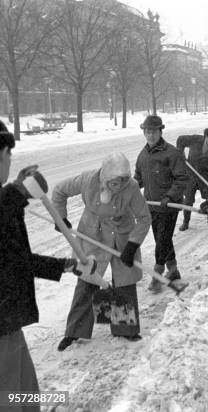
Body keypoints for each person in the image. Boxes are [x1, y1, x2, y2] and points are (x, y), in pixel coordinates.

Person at [1, 127, 98, 403]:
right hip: (1, 325)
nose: (10, 161)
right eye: (8, 153)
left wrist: (68, 265)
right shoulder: (5, 202)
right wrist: (16, 193)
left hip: (9, 323)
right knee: (8, 398)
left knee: (27, 393)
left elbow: (18, 259)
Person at [52, 153, 151, 350]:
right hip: (93, 234)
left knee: (124, 281)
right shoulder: (88, 180)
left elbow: (144, 217)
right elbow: (59, 191)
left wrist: (132, 244)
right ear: (105, 177)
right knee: (88, 279)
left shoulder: (131, 186)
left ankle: (125, 329)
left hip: (122, 233)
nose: (120, 184)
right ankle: (75, 332)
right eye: (116, 181)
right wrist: (60, 219)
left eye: (123, 180)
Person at [134, 115, 189, 293]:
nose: (150, 135)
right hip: (151, 206)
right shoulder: (143, 155)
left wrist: (170, 197)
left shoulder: (172, 153)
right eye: (147, 132)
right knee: (161, 239)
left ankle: (157, 275)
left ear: (160, 131)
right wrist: (129, 190)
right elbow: (138, 179)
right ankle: (173, 271)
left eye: (153, 132)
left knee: (162, 241)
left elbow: (182, 179)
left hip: (168, 207)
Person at [176, 130, 207, 231]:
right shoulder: (196, 139)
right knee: (188, 200)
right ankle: (185, 222)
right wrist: (181, 155)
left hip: (205, 177)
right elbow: (180, 139)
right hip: (191, 175)